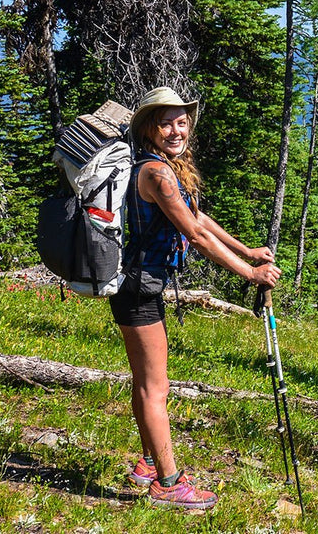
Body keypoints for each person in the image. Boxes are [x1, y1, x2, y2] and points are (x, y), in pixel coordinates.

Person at [115, 86, 281, 510]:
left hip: (142, 283)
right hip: (139, 287)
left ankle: (149, 466)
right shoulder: (155, 172)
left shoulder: (168, 167)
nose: (176, 130)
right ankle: (168, 484)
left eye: (182, 121)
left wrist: (247, 251)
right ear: (150, 128)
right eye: (166, 122)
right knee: (155, 388)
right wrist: (250, 272)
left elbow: (198, 217)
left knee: (148, 382)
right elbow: (193, 234)